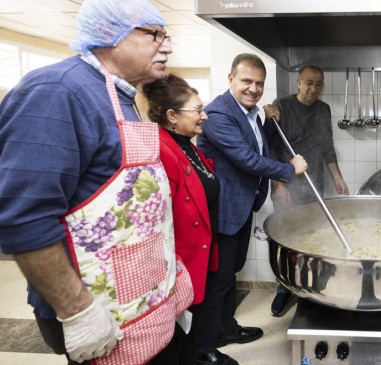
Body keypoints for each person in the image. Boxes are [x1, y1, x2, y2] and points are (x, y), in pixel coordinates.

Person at [0, 1, 194, 364]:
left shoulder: (121, 96)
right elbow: (22, 219)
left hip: (139, 299)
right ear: (109, 35)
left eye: (166, 36)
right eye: (155, 34)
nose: (167, 46)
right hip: (99, 314)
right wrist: (78, 311)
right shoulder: (55, 92)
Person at [197, 53, 308, 350]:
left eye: (259, 83)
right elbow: (247, 159)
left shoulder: (249, 112)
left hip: (241, 205)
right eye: (247, 81)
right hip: (223, 209)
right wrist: (288, 171)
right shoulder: (218, 115)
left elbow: (254, 143)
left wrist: (270, 123)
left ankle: (226, 328)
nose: (253, 88)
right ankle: (205, 348)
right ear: (230, 78)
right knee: (217, 280)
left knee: (229, 273)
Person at [142, 74, 238, 365]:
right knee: (182, 314)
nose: (204, 116)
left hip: (202, 243)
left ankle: (203, 349)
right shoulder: (161, 150)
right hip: (182, 251)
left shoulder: (186, 143)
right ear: (172, 116)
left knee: (204, 301)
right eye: (197, 110)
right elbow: (160, 216)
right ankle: (198, 354)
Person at [262, 65, 349, 317]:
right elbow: (271, 147)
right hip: (287, 185)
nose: (314, 88)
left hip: (316, 185)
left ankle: (309, 287)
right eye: (309, 82)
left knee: (314, 236)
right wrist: (278, 184)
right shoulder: (283, 106)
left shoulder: (324, 110)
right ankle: (283, 289)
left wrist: (337, 177)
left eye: (319, 84)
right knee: (287, 239)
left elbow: (327, 147)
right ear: (299, 82)